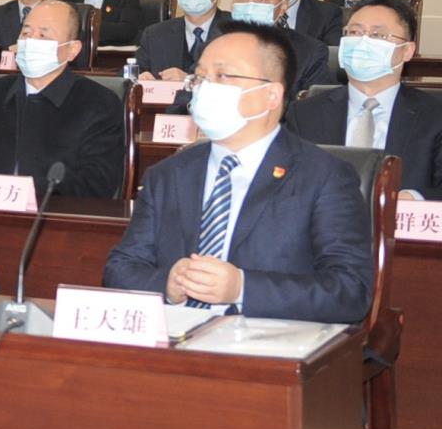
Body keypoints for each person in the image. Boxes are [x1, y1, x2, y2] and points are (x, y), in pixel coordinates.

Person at [104, 25, 373, 323]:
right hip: (177, 335)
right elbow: (121, 268)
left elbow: (350, 291)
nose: (205, 88)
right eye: (200, 77)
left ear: (271, 95)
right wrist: (166, 284)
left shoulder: (324, 177)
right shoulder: (168, 174)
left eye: (222, 76)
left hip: (269, 340)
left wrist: (243, 288)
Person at [0, 0, 125, 199]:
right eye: (26, 33)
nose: (30, 41)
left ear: (72, 49)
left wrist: (26, 195)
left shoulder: (99, 103)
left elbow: (96, 184)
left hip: (57, 214)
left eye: (43, 35)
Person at [290, 0, 441, 197]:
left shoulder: (435, 117)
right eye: (354, 32)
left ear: (407, 51)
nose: (363, 42)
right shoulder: (303, 114)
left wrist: (414, 199)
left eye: (378, 35)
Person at [223, 0, 330, 97]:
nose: (250, 5)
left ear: (283, 7)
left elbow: (316, 105)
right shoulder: (215, 45)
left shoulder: (309, 53)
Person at [135, 0, 226, 81]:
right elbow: (128, 74)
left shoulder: (235, 32)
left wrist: (190, 80)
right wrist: (139, 78)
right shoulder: (155, 35)